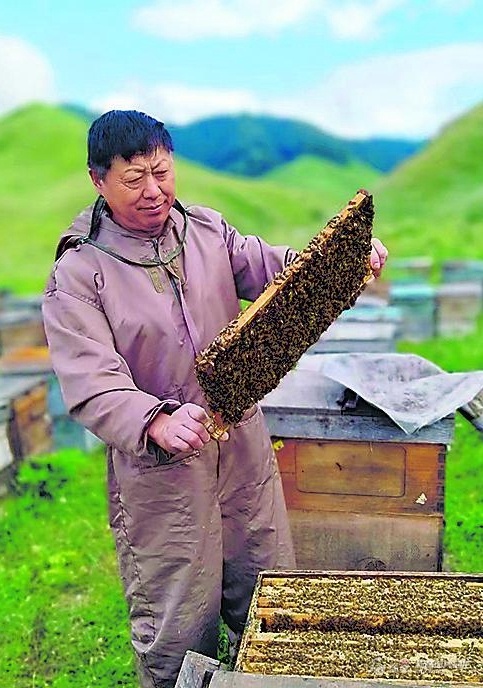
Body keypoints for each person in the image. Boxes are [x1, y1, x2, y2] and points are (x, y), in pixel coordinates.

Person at [42, 109, 388, 688]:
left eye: (162, 171)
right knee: (179, 624)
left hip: (243, 450)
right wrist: (153, 420)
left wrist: (342, 261)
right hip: (163, 469)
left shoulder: (206, 231)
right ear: (97, 180)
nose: (154, 191)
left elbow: (272, 268)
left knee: (271, 596)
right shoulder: (80, 273)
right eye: (134, 179)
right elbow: (90, 377)